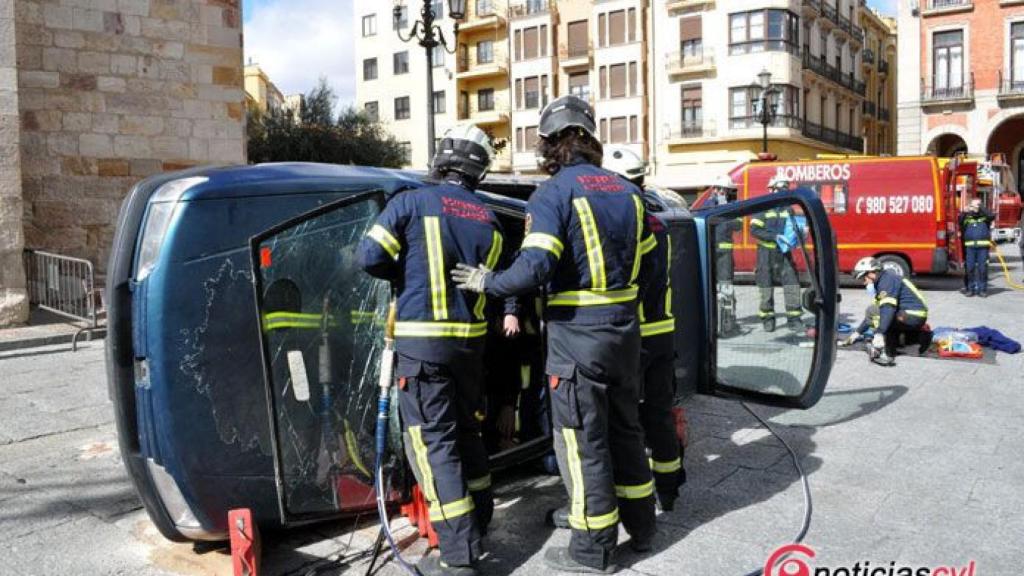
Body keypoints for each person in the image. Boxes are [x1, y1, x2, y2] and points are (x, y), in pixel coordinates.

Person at [452, 95, 658, 573]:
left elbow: (536, 265)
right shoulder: (628, 192)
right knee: (626, 429)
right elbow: (650, 267)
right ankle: (643, 527)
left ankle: (592, 550)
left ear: (549, 144)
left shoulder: (553, 194)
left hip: (576, 340)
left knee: (581, 441)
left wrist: (489, 282)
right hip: (624, 335)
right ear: (589, 137)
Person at [358, 123, 500, 576]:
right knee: (467, 434)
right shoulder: (489, 218)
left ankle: (458, 556)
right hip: (469, 348)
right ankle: (480, 520)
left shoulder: (411, 202)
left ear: (442, 158)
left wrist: (405, 271)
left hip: (423, 349)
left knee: (433, 445)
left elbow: (369, 257)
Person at [603, 146, 685, 512]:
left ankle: (628, 494)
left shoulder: (626, 219)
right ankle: (668, 488)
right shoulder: (658, 220)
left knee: (625, 416)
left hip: (633, 334)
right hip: (662, 331)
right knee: (659, 411)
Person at [850, 257, 932, 366]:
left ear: (871, 273)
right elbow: (874, 313)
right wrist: (857, 333)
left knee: (880, 315)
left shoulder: (886, 281)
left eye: (863, 278)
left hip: (912, 315)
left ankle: (886, 352)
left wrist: (879, 333)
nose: (863, 283)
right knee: (878, 313)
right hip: (912, 314)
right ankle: (915, 339)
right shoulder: (885, 279)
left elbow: (887, 308)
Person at [750, 176, 803, 332]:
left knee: (792, 284)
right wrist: (774, 237)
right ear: (771, 190)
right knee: (766, 286)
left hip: (784, 252)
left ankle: (794, 319)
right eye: (780, 190)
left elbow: (793, 229)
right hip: (766, 253)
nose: (783, 193)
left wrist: (800, 235)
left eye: (785, 190)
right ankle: (767, 318)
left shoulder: (789, 209)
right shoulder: (762, 208)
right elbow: (754, 230)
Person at [711, 176, 741, 335]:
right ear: (714, 189)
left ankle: (730, 319)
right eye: (721, 189)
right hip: (710, 252)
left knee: (727, 286)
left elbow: (738, 226)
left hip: (725, 256)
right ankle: (712, 318)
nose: (723, 192)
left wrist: (726, 212)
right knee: (710, 287)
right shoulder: (707, 205)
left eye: (726, 190)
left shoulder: (731, 207)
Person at [958, 198, 995, 297]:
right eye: (974, 205)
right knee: (969, 269)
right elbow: (959, 221)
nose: (975, 207)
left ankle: (982, 290)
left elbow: (992, 216)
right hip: (970, 248)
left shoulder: (985, 216)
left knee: (982, 269)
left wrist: (981, 207)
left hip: (983, 248)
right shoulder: (967, 217)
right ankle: (970, 289)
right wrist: (964, 212)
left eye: (978, 205)